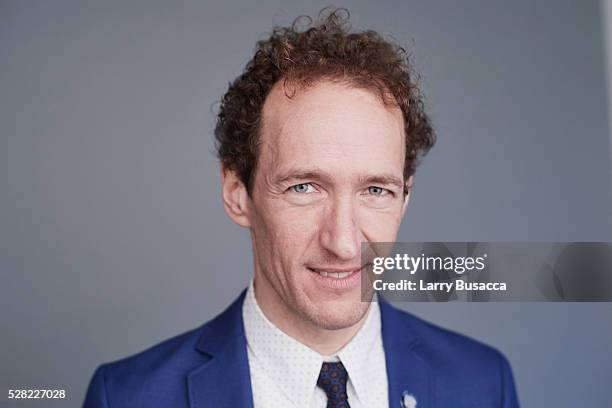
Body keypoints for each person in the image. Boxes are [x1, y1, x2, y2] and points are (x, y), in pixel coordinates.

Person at [84, 8, 519, 408]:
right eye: (305, 187)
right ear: (237, 191)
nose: (344, 243)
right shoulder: (126, 397)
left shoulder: (482, 383)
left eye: (375, 191)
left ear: (406, 197)